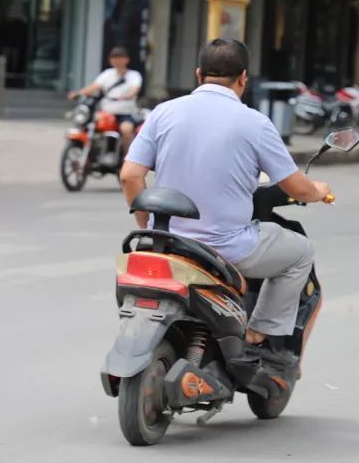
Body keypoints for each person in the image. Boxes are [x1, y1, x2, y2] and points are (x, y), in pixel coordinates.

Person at [120, 39, 331, 346]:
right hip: (228, 248)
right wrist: (317, 190)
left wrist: (149, 226)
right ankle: (261, 332)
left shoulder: (163, 113)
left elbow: (130, 176)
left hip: (166, 243)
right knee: (301, 253)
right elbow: (296, 187)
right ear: (243, 78)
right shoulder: (255, 123)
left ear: (198, 74)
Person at [69, 46, 143, 153]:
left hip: (126, 113)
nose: (116, 60)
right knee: (90, 125)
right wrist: (77, 93)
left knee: (126, 129)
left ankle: (128, 158)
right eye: (114, 57)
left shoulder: (134, 75)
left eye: (120, 57)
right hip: (106, 113)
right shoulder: (107, 74)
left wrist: (128, 95)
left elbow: (135, 89)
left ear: (127, 60)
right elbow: (94, 87)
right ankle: (92, 154)